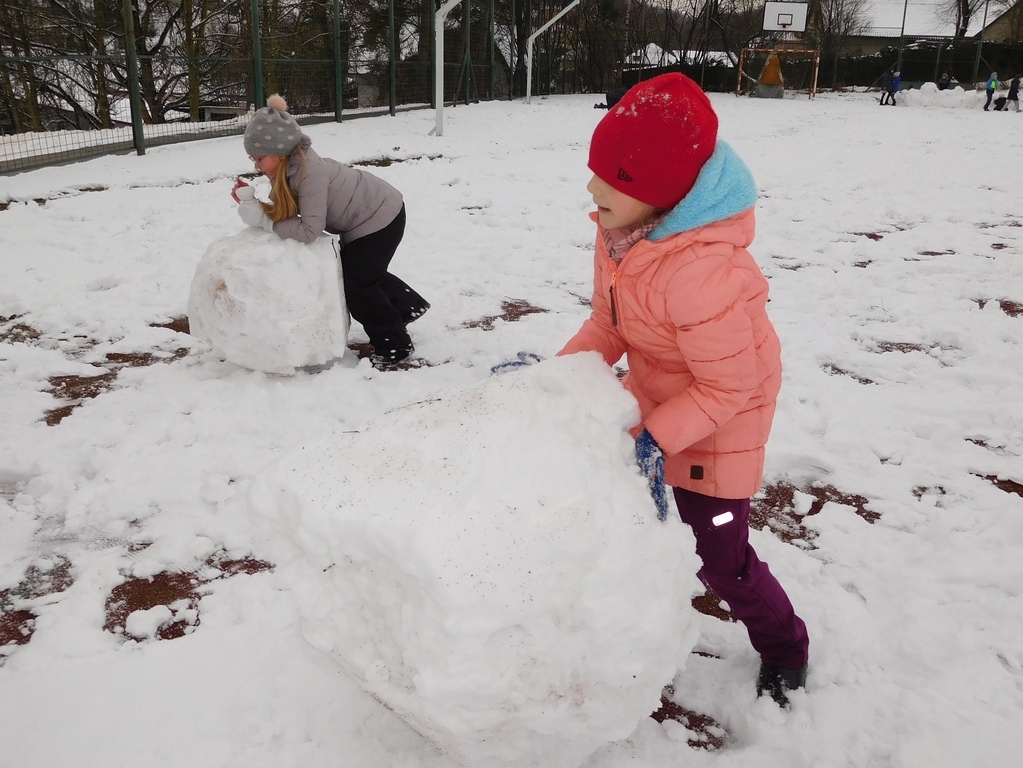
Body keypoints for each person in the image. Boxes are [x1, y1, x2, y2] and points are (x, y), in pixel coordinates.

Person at [558, 73, 810, 707]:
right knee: (637, 523)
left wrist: (656, 436)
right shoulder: (620, 235)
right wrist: (556, 379)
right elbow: (608, 324)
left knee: (722, 557)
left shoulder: (703, 272)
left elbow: (727, 386)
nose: (593, 188)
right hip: (665, 396)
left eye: (615, 176)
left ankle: (785, 645)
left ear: (662, 193)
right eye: (595, 170)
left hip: (722, 425)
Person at [232, 94, 429, 367]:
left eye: (258, 158)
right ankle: (406, 307)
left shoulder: (308, 173)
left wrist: (265, 221)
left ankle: (395, 345)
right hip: (366, 217)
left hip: (381, 217)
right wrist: (254, 205)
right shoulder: (289, 170)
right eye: (253, 158)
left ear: (278, 152)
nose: (256, 165)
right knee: (358, 272)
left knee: (358, 286)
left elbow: (309, 229)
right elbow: (289, 214)